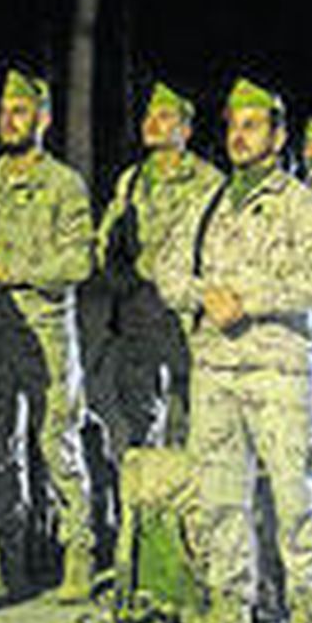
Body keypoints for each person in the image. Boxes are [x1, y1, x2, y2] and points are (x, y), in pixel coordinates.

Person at [155, 78, 312, 623]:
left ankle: (311, 608)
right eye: (234, 125)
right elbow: (167, 270)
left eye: (252, 125)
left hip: (277, 369)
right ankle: (230, 605)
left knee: (295, 493)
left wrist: (249, 299)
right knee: (219, 494)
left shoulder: (300, 204)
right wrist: (201, 297)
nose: (239, 135)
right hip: (214, 368)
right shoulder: (205, 203)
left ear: (278, 134)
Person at [0, 71, 95, 605]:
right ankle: (9, 563)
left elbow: (80, 260)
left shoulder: (63, 184)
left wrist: (16, 271)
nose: (9, 119)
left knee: (57, 445)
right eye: (4, 110)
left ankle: (79, 555)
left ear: (43, 119)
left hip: (47, 335)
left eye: (20, 110)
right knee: (0, 451)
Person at [95, 81, 224, 452]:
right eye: (149, 115)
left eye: (164, 116)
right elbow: (105, 242)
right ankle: (147, 497)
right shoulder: (131, 180)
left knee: (195, 418)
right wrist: (116, 270)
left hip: (188, 317)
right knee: (137, 413)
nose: (152, 122)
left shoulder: (208, 182)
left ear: (185, 130)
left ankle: (192, 501)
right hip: (140, 312)